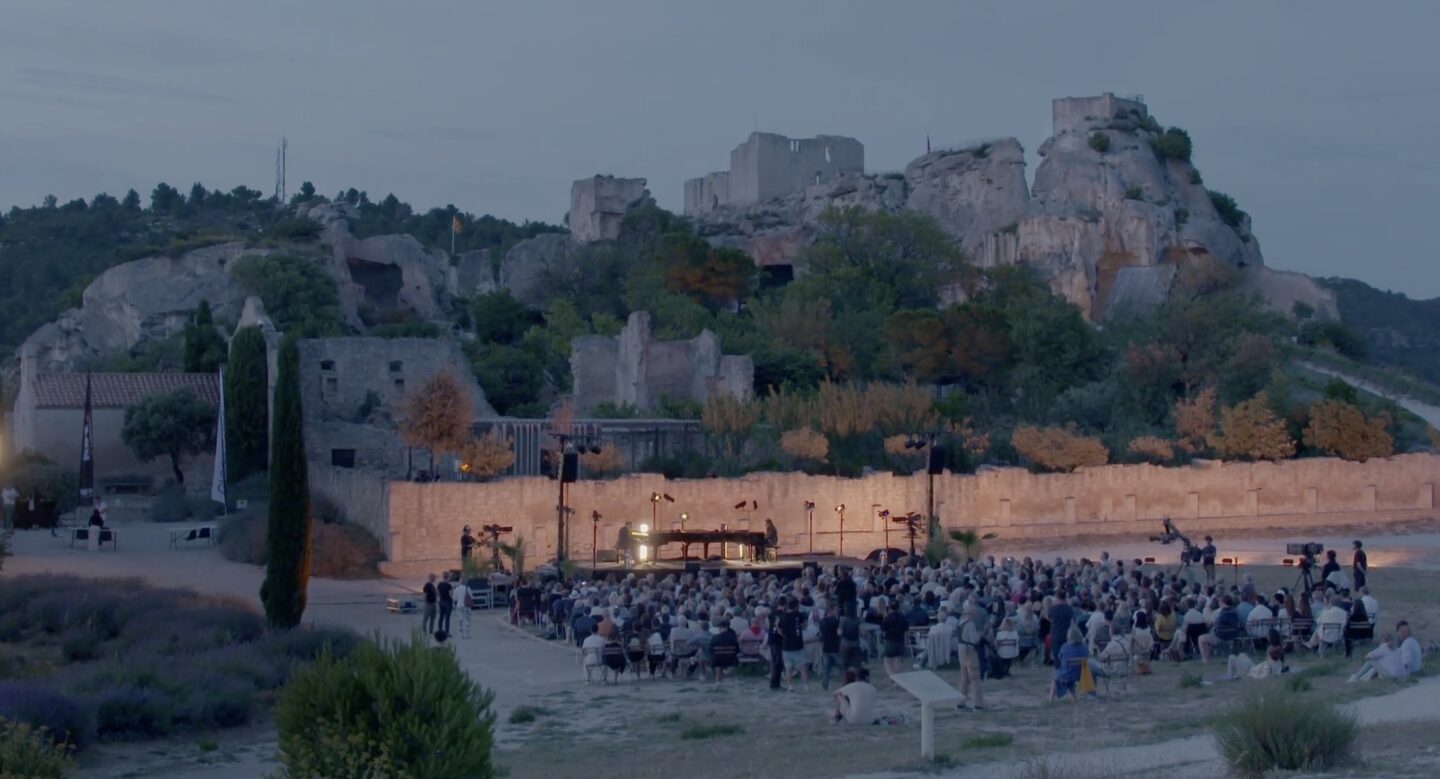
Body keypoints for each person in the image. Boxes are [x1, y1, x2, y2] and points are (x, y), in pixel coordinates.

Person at [956, 604, 985, 711]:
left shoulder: (960, 623)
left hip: (961, 650)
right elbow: (974, 639)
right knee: (974, 677)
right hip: (969, 650)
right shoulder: (970, 624)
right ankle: (978, 704)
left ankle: (960, 703)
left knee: (964, 678)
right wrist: (981, 634)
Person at [1050, 626, 1089, 701]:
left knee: (1055, 676)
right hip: (1080, 674)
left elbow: (1060, 658)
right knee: (1069, 678)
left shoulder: (1065, 647)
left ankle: (1051, 699)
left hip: (1067, 673)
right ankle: (1075, 699)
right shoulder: (1084, 647)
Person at [779, 598, 810, 691]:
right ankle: (806, 686)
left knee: (788, 668)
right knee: (802, 667)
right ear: (796, 606)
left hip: (786, 645)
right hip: (797, 645)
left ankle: (790, 686)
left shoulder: (783, 616)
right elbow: (805, 625)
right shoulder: (798, 614)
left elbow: (779, 628)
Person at [880, 602, 909, 675]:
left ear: (889, 608)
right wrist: (905, 642)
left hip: (890, 641)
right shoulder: (903, 617)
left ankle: (892, 675)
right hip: (900, 641)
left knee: (887, 660)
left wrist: (884, 618)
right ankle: (898, 676)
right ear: (898, 607)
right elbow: (906, 631)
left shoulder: (887, 618)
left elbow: (882, 628)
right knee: (897, 660)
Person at [818, 608, 843, 690]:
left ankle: (825, 686)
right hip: (834, 647)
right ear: (831, 611)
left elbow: (821, 634)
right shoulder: (835, 621)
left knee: (826, 669)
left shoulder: (822, 622)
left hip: (825, 647)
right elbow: (839, 633)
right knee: (842, 666)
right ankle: (846, 682)